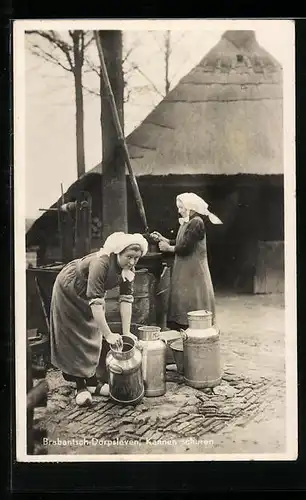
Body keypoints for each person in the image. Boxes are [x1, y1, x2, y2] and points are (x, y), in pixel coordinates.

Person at [49, 232, 148, 406]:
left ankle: (93, 383)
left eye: (137, 258)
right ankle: (80, 386)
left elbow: (126, 300)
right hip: (70, 289)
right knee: (77, 335)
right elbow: (96, 303)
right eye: (129, 257)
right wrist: (109, 334)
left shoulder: (129, 270)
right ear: (118, 252)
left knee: (93, 335)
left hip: (90, 295)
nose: (132, 262)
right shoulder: (101, 263)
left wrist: (126, 333)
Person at [151, 193, 222, 330]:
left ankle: (194, 325)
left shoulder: (196, 222)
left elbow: (186, 248)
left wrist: (169, 248)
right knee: (185, 296)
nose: (179, 211)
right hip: (185, 268)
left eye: (182, 208)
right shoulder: (188, 222)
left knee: (193, 296)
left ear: (191, 207)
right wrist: (164, 239)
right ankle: (183, 325)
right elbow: (180, 241)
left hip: (193, 270)